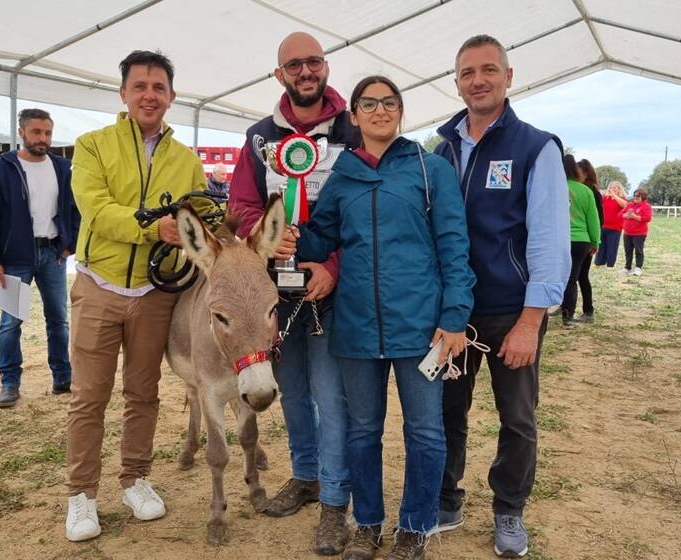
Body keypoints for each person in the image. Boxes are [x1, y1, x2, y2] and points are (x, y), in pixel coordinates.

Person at [297, 75, 475, 560]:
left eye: (389, 102)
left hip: (422, 327)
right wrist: (293, 233)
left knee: (425, 430)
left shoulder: (429, 168)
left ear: (400, 111)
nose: (380, 110)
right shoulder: (344, 173)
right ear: (353, 116)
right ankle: (369, 523)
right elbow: (322, 239)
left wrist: (455, 315)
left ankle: (415, 526)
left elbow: (454, 246)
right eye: (368, 104)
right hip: (355, 325)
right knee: (362, 430)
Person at [432, 35, 571, 558]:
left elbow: (549, 241)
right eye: (468, 73)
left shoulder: (536, 147)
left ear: (509, 77)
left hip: (511, 311)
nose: (478, 81)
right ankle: (446, 499)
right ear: (458, 82)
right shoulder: (441, 148)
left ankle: (508, 510)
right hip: (453, 313)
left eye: (489, 70)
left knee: (517, 418)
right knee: (446, 410)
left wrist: (530, 321)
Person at [64, 50, 207, 543]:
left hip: (154, 295)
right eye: (140, 85)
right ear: (123, 92)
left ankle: (135, 479)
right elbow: (96, 210)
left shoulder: (188, 161)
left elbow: (200, 218)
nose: (150, 94)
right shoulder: (92, 146)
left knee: (143, 394)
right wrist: (153, 228)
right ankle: (81, 494)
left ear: (171, 96)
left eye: (159, 87)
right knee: (89, 397)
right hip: (99, 287)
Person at [229, 31, 359, 555]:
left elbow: (370, 210)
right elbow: (239, 203)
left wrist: (333, 264)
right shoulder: (260, 136)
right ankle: (305, 476)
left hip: (334, 290)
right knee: (293, 391)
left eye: (313, 62)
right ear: (278, 74)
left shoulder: (356, 128)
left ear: (325, 66)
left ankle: (334, 500)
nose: (305, 72)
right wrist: (262, 230)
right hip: (275, 294)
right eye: (294, 65)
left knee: (331, 395)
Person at [0, 108, 79, 408]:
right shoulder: (1, 168)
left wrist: (68, 244)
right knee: (11, 322)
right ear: (22, 132)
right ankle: (10, 382)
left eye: (48, 133)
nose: (43, 138)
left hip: (53, 254)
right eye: (36, 132)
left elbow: (74, 208)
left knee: (59, 320)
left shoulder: (62, 167)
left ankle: (63, 376)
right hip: (13, 258)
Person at [558, 156, 600, 326]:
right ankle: (567, 317)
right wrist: (595, 242)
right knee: (572, 279)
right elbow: (593, 220)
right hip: (581, 241)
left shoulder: (554, 188)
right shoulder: (585, 191)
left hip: (558, 239)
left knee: (558, 277)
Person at [572, 159, 602, 323]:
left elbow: (598, 219)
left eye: (577, 171)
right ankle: (566, 306)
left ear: (585, 173)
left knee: (582, 276)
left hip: (587, 241)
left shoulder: (592, 192)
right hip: (584, 240)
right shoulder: (580, 189)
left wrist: (594, 241)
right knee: (574, 276)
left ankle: (588, 310)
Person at [619, 187, 653, 276]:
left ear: (643, 197)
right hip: (627, 233)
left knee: (639, 251)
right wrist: (625, 215)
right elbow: (620, 214)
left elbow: (648, 218)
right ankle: (627, 267)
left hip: (639, 233)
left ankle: (638, 268)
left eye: (638, 196)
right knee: (628, 251)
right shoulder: (630, 205)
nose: (635, 198)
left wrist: (635, 217)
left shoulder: (646, 206)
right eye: (634, 196)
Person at [595, 181, 628, 268]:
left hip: (615, 227)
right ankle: (599, 262)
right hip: (603, 225)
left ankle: (610, 263)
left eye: (615, 187)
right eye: (611, 187)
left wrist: (614, 195)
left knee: (612, 246)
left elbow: (624, 205)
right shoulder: (605, 198)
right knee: (601, 245)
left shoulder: (622, 198)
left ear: (619, 189)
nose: (612, 189)